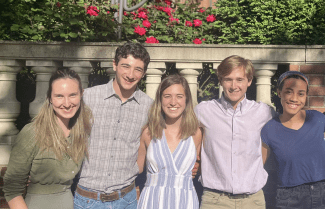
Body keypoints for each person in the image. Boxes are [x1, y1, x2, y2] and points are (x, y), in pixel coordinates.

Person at [73, 42, 153, 209]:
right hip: (86, 199)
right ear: (115, 64)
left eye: (138, 69)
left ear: (144, 73)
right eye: (126, 66)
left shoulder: (149, 107)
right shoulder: (88, 98)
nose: (131, 75)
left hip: (126, 200)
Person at [3, 68, 93, 209]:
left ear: (81, 94)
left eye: (72, 95)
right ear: (50, 98)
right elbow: (12, 190)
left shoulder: (81, 132)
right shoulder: (32, 132)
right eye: (59, 96)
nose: (67, 103)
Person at [195, 55, 276, 209]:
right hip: (214, 200)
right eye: (228, 79)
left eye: (240, 79)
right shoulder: (203, 111)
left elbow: (286, 130)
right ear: (220, 81)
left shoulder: (264, 112)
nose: (234, 86)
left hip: (253, 200)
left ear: (249, 81)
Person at [137, 74, 202, 209]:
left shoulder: (195, 134)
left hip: (185, 202)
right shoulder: (149, 133)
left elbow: (203, 165)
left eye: (179, 96)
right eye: (167, 96)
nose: (173, 102)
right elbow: (135, 171)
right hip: (152, 201)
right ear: (160, 100)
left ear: (186, 100)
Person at [261, 71, 325, 209]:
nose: (294, 98)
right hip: (288, 198)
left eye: (301, 94)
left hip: (322, 193)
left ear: (306, 96)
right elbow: (259, 167)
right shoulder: (269, 129)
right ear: (279, 93)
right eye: (288, 92)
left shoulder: (318, 119)